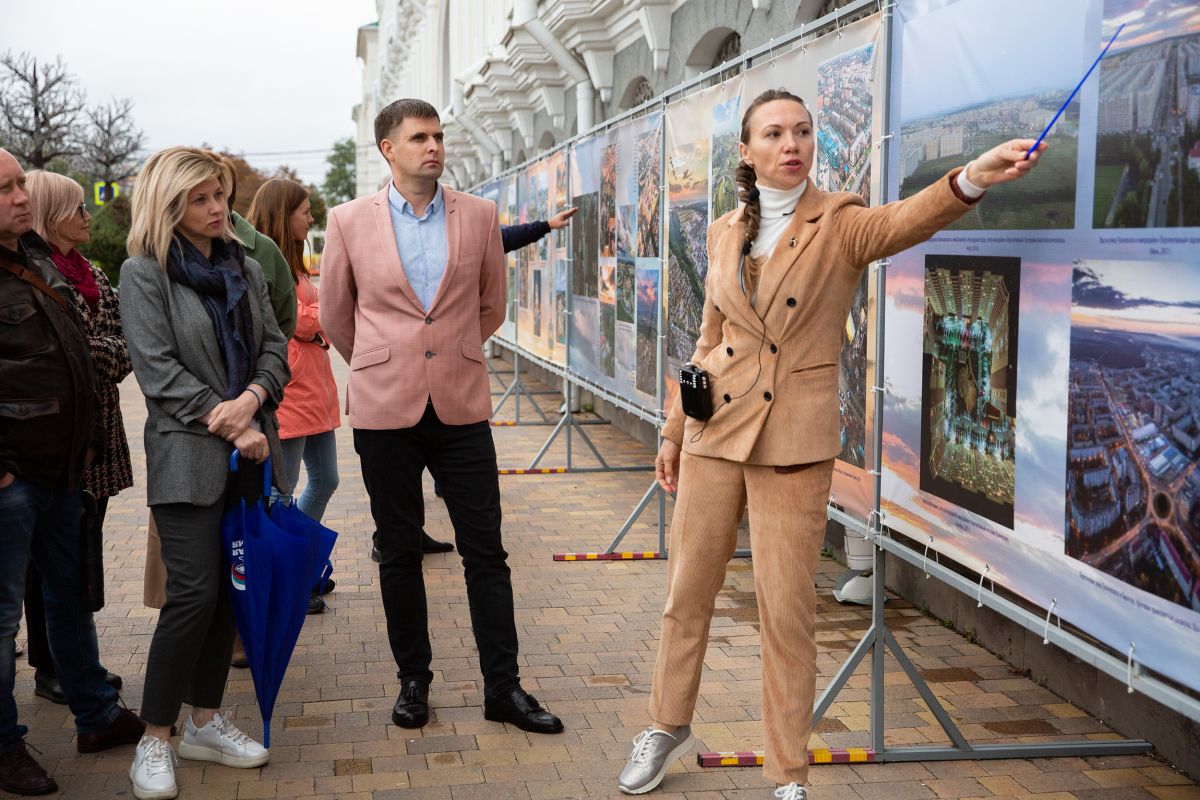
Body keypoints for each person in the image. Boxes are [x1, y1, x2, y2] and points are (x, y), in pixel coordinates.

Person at [615, 89, 1045, 800]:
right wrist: (672, 431)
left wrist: (969, 178)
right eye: (775, 133)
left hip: (791, 437)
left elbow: (903, 222)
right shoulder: (726, 231)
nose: (794, 143)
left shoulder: (838, 221)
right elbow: (708, 340)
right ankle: (666, 726)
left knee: (787, 612)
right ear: (747, 152)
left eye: (805, 131)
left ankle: (788, 775)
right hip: (713, 430)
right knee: (686, 594)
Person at [321, 98, 563, 735]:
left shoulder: (479, 216)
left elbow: (492, 306)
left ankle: (502, 689)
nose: (433, 145)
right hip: (384, 408)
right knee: (398, 552)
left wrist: (448, 355)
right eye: (418, 137)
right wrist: (382, 361)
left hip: (460, 405)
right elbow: (336, 316)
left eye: (437, 135)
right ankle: (413, 682)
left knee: (487, 551)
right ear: (388, 149)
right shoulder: (347, 221)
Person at [120, 146, 290, 800]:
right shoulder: (144, 274)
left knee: (228, 594)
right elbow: (157, 371)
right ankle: (155, 737)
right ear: (169, 206)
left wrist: (252, 401)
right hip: (187, 459)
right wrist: (228, 419)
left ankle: (206, 721)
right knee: (191, 594)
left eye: (220, 193)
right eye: (200, 198)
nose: (218, 207)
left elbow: (275, 347)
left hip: (248, 457)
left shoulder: (244, 266)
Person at [0, 148, 145, 796]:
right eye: (5, 190)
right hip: (13, 476)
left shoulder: (35, 258)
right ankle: (4, 747)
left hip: (63, 466)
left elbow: (76, 348)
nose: (21, 197)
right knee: (4, 618)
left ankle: (95, 712)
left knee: (67, 592)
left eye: (19, 185)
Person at [369, 204, 580, 562]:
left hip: (448, 381)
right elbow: (340, 317)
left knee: (473, 522)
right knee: (399, 478)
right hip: (397, 383)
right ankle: (395, 537)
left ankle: (415, 530)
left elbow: (497, 246)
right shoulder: (378, 232)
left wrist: (544, 225)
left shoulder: (462, 225)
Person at [24, 169, 131, 705]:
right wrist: (93, 354)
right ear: (49, 214)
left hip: (100, 434)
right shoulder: (30, 273)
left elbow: (123, 347)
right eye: (76, 208)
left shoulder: (94, 273)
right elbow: (61, 356)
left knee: (81, 557)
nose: (88, 217)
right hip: (54, 441)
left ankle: (78, 662)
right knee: (43, 565)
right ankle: (50, 667)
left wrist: (89, 355)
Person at [248, 178, 340, 615]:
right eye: (304, 211)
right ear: (283, 215)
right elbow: (298, 321)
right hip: (291, 391)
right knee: (281, 493)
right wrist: (326, 313)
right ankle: (287, 577)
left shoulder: (295, 263)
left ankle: (301, 562)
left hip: (312, 389)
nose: (311, 218)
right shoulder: (263, 262)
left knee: (326, 479)